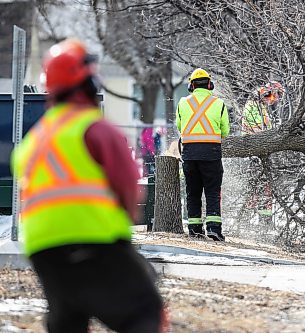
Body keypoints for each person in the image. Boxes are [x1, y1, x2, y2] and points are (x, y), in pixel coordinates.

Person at [11, 39, 168, 333]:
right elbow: (127, 185)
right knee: (143, 313)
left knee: (68, 320)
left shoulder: (32, 142)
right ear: (87, 82)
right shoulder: (94, 128)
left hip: (42, 249)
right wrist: (123, 226)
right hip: (94, 240)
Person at [176, 68, 230, 241]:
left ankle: (194, 229)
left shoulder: (182, 103)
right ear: (209, 84)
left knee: (193, 192)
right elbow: (225, 132)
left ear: (191, 85)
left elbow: (179, 127)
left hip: (190, 153)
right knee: (213, 192)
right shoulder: (219, 104)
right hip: (211, 153)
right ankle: (214, 228)